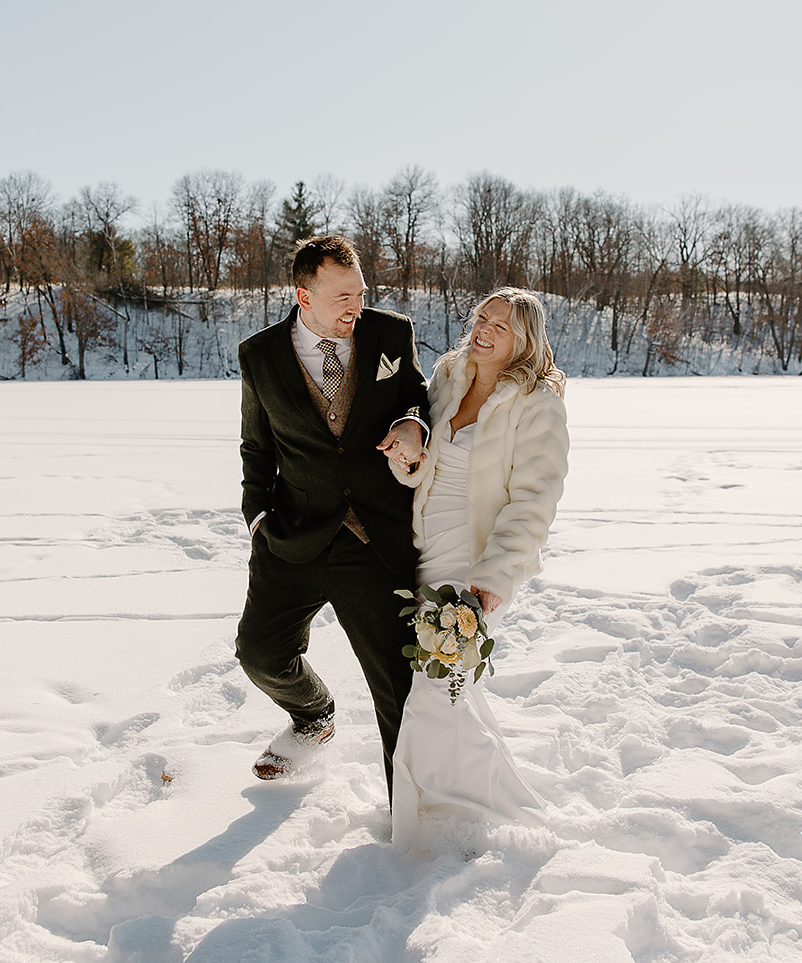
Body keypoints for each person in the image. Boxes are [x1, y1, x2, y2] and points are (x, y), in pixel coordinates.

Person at [236, 234, 430, 800]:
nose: (357, 306)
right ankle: (313, 715)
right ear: (304, 295)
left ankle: (411, 811)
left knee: (397, 685)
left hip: (375, 541)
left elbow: (416, 393)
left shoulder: (390, 334)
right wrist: (256, 517)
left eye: (361, 292)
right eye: (343, 296)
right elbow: (256, 444)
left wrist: (413, 424)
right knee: (261, 655)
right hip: (293, 534)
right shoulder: (261, 355)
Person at [386, 287, 570, 853]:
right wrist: (408, 460)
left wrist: (494, 575)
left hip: (473, 563)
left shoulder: (537, 402)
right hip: (419, 547)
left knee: (434, 686)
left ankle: (455, 810)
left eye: (501, 326)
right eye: (481, 318)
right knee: (443, 686)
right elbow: (429, 469)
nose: (484, 331)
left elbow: (534, 499)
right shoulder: (450, 375)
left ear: (526, 341)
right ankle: (441, 798)